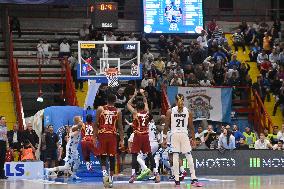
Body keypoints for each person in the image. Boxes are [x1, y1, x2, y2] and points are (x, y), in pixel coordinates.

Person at [164, 94, 201, 186]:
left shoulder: (170, 111)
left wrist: (164, 138)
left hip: (174, 135)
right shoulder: (188, 111)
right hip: (184, 134)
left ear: (175, 101)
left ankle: (177, 180)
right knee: (188, 156)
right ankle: (194, 178)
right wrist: (193, 139)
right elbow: (191, 127)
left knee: (175, 156)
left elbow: (166, 126)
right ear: (183, 100)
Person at [127, 90, 159, 183]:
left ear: (136, 107)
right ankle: (156, 174)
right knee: (149, 155)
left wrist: (134, 94)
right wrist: (143, 94)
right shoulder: (147, 113)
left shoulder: (135, 113)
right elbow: (145, 102)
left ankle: (133, 175)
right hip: (146, 136)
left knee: (134, 155)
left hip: (138, 136)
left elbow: (128, 104)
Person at [95, 94, 124, 188]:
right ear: (115, 101)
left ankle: (105, 175)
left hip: (102, 134)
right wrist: (122, 140)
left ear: (106, 100)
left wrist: (94, 137)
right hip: (112, 135)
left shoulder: (100, 109)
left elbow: (95, 124)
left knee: (102, 156)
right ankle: (110, 180)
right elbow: (120, 127)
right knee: (112, 158)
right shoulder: (118, 111)